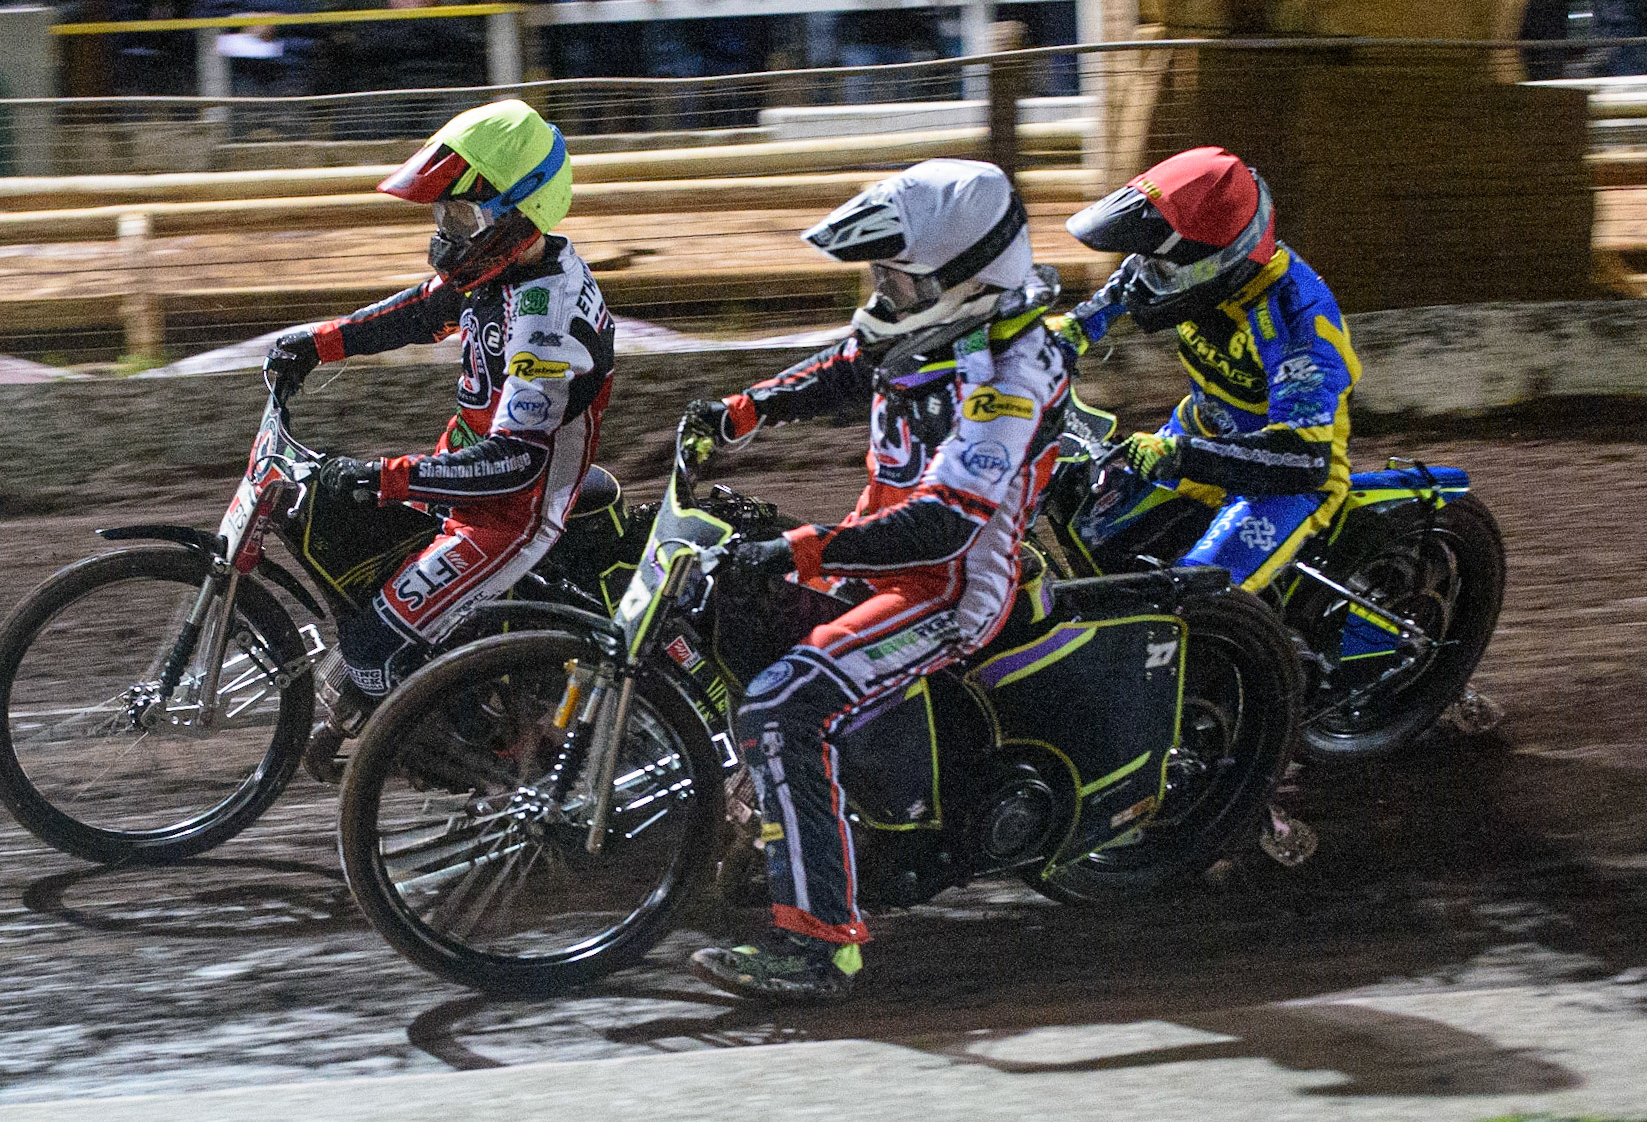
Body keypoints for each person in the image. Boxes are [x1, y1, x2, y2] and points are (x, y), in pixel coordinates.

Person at [682, 158, 1071, 1002]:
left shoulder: (1011, 376)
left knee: (784, 702)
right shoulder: (925, 332)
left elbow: (944, 525)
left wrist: (802, 550)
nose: (881, 292)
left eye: (895, 276)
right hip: (878, 561)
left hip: (944, 592)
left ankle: (821, 949)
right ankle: (787, 811)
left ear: (962, 279)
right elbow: (851, 363)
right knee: (722, 604)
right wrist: (742, 409)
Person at [263, 98, 614, 774]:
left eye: (463, 217)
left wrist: (387, 475)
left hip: (510, 516)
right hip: (461, 479)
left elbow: (514, 464)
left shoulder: (548, 314)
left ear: (520, 213)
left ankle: (496, 765)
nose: (448, 232)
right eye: (444, 215)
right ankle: (414, 706)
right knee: (352, 560)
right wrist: (317, 343)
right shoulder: (502, 270)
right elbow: (421, 310)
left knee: (371, 650)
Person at [1047, 145, 1361, 594]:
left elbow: (1302, 459)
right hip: (1199, 431)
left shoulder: (1294, 319)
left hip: (1282, 478)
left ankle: (1255, 655)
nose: (1148, 280)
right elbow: (1124, 286)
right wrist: (1066, 334)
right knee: (1091, 527)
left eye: (1164, 269)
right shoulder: (1197, 269)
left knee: (1190, 597)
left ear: (1221, 263)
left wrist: (1180, 456)